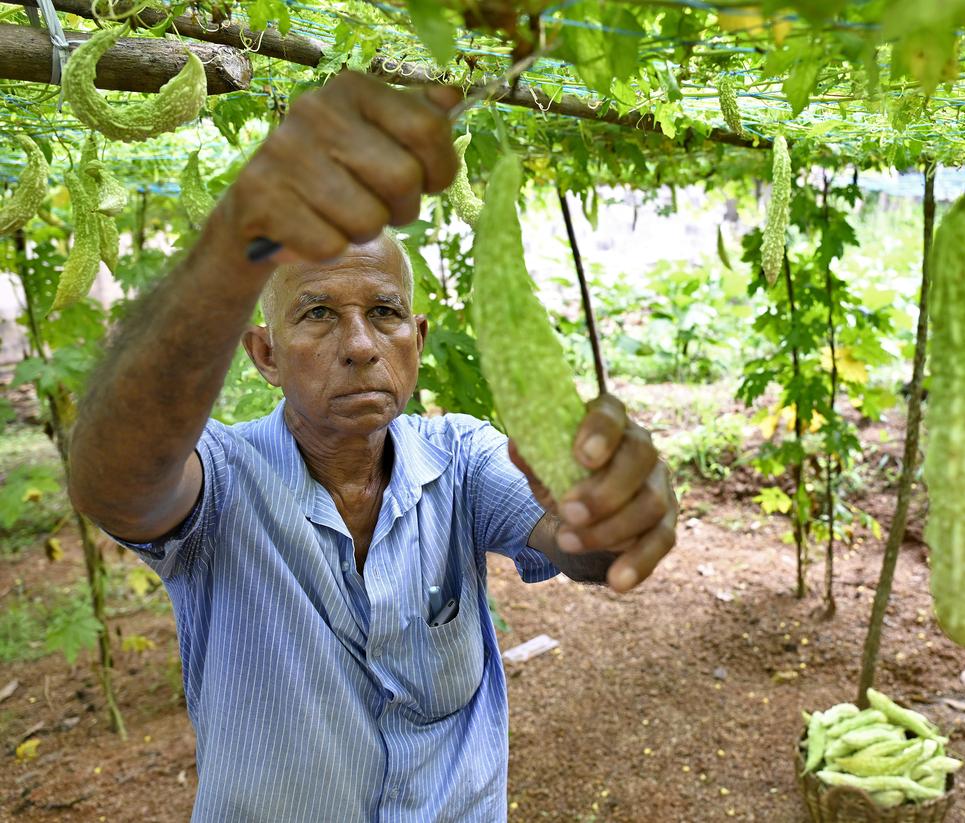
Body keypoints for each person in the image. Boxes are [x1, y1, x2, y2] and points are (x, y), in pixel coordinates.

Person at [67, 73, 677, 822]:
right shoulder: (222, 485)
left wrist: (609, 516)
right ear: (264, 355)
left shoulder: (461, 459)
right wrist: (239, 238)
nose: (359, 344)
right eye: (318, 313)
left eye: (385, 312)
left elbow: (576, 544)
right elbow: (116, 481)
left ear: (416, 342)